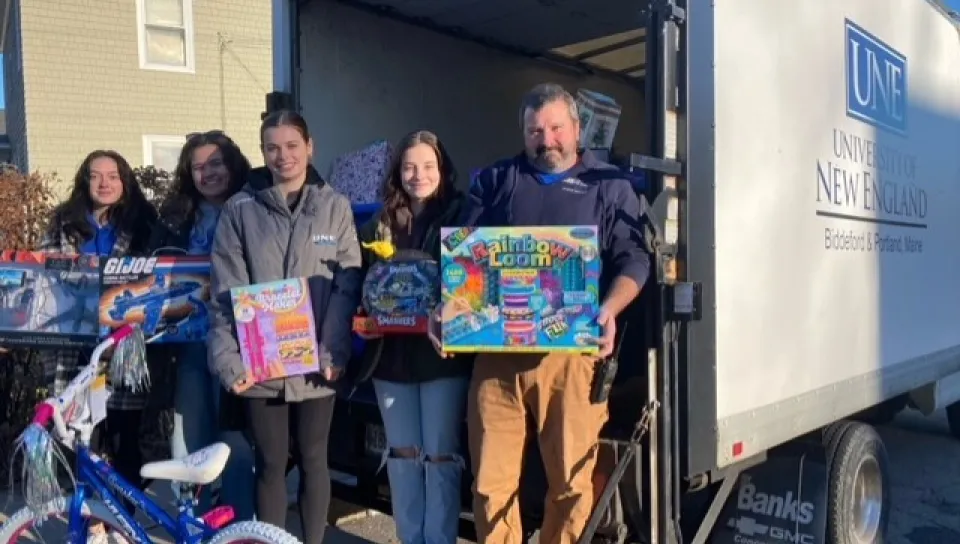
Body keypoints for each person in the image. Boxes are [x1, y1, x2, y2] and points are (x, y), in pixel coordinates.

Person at [448, 83, 651, 544]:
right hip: (497, 359)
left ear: (577, 129)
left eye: (556, 128)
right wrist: (449, 307)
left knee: (572, 487)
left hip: (570, 358)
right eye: (535, 131)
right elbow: (462, 257)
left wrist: (610, 308)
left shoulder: (609, 185)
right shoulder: (496, 182)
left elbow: (635, 260)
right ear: (524, 134)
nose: (547, 140)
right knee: (489, 487)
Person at [208, 110, 362, 543]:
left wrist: (333, 350)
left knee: (315, 457)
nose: (283, 156)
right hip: (260, 364)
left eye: (292, 145)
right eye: (272, 147)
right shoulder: (241, 209)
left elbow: (347, 284)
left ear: (310, 147)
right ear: (262, 152)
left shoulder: (334, 206)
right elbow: (225, 291)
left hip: (316, 361)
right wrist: (230, 360)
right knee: (272, 462)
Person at [353, 130, 472, 544]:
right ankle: (409, 537)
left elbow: (475, 282)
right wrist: (362, 316)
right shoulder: (377, 224)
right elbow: (358, 286)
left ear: (442, 170)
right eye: (408, 167)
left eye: (427, 166)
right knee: (402, 456)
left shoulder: (463, 216)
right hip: (390, 359)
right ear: (397, 172)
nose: (418, 175)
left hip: (442, 357)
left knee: (441, 457)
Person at [147, 130, 255, 519]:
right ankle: (189, 522)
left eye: (215, 164)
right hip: (190, 344)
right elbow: (151, 271)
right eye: (197, 167)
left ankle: (241, 526)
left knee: (238, 441)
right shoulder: (176, 217)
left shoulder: (254, 206)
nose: (207, 173)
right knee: (189, 437)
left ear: (232, 165)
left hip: (243, 343)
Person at [37, 149, 159, 494]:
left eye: (113, 176)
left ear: (125, 181)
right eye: (96, 176)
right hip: (73, 345)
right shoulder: (62, 223)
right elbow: (46, 278)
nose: (104, 183)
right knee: (76, 439)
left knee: (124, 439)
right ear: (84, 181)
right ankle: (87, 516)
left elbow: (152, 283)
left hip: (125, 346)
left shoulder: (144, 224)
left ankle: (123, 522)